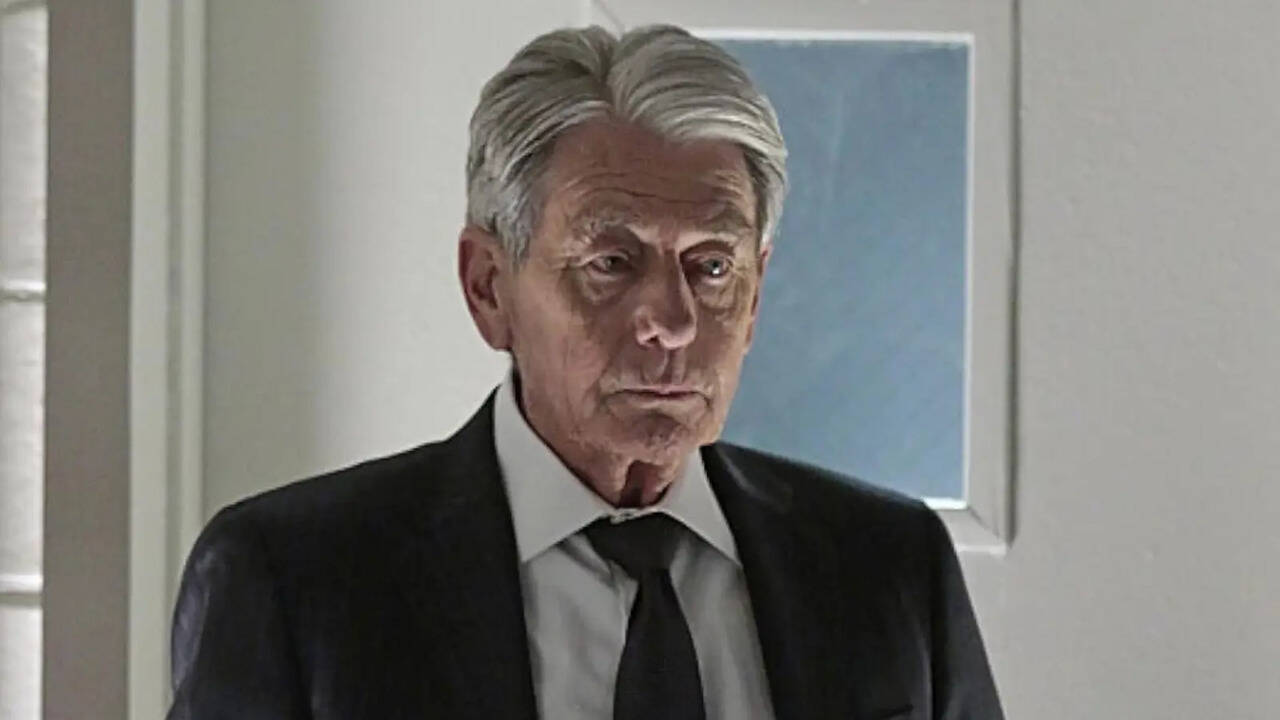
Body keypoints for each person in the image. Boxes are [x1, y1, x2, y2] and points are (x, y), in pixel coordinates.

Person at [167, 24, 1004, 720]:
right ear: (488, 287)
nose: (673, 321)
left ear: (755, 298)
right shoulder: (294, 581)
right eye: (611, 262)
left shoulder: (890, 568)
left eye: (713, 267)